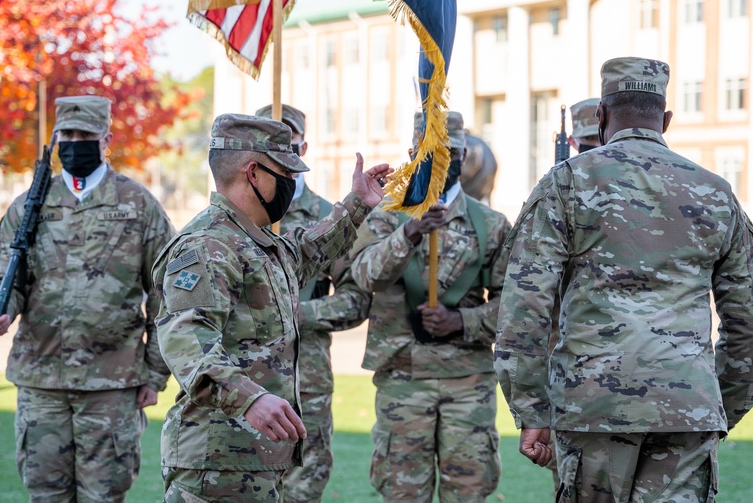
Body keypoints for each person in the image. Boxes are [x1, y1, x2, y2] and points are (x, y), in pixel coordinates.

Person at [495, 57, 753, 502]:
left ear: (600, 116)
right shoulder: (717, 192)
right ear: (666, 119)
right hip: (686, 409)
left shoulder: (568, 183)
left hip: (593, 408)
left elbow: (524, 310)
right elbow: (749, 325)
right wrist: (715, 409)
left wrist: (532, 409)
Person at [153, 113, 391, 503]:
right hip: (218, 462)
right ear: (254, 174)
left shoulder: (254, 241)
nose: (292, 183)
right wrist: (250, 398)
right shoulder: (208, 245)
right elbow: (186, 343)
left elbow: (305, 252)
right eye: (285, 172)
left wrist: (357, 205)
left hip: (252, 458)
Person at [0, 95, 175, 502]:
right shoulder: (30, 205)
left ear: (106, 139)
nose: (74, 143)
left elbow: (166, 295)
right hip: (41, 380)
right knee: (45, 494)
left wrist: (155, 374)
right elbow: (7, 276)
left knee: (103, 496)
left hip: (112, 382)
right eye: (66, 134)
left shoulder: (138, 205)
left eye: (84, 135)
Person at [351, 111, 512, 503]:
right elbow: (364, 276)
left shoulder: (490, 224)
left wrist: (462, 321)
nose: (441, 161)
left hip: (467, 382)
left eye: (450, 153)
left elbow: (516, 310)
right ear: (412, 154)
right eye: (430, 153)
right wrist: (408, 233)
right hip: (402, 378)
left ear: (464, 155)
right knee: (403, 492)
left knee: (468, 492)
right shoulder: (386, 216)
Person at [254, 104, 373, 503]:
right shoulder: (237, 216)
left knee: (304, 485)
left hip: (307, 380)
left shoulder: (331, 216)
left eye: (288, 144)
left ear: (303, 148)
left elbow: (356, 299)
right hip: (245, 378)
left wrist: (301, 313)